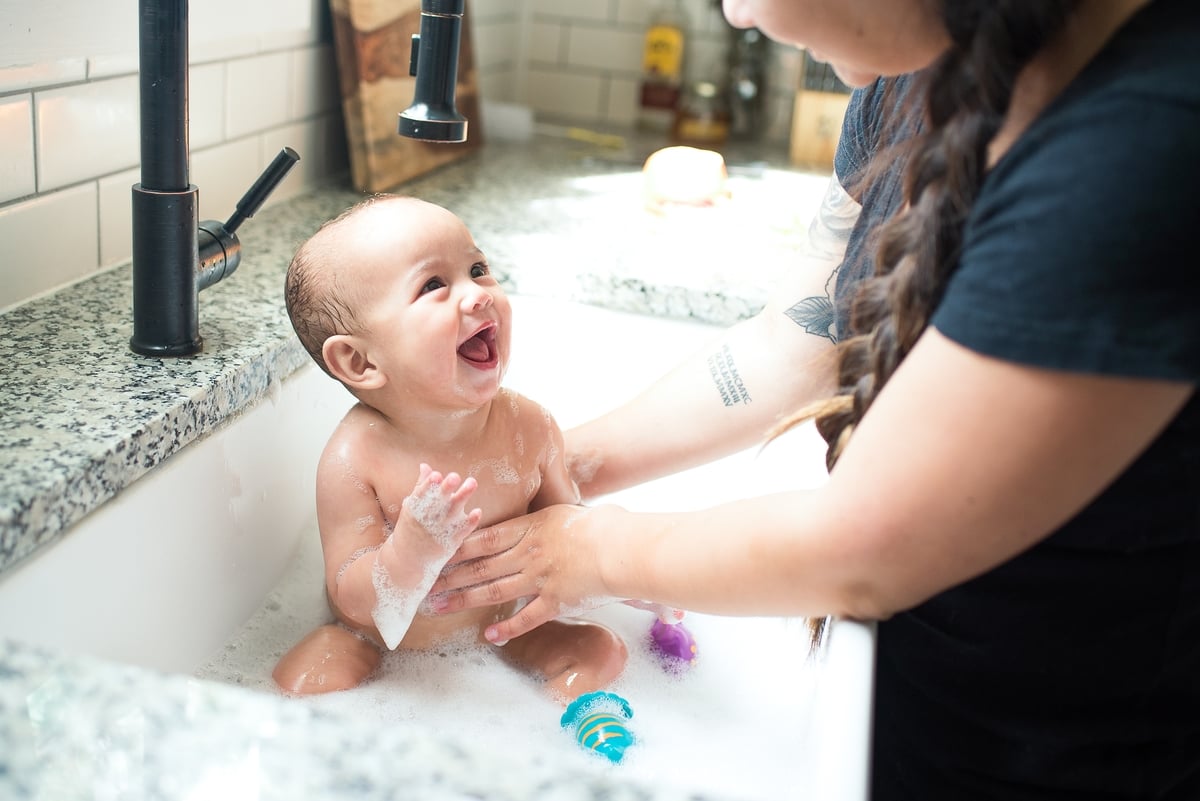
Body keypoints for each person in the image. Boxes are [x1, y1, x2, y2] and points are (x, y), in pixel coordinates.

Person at [432, 1, 1200, 798]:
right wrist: (547, 468)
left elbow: (866, 545)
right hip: (908, 707)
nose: (733, 11)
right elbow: (790, 348)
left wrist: (585, 550)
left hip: (1049, 755)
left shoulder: (1146, 137)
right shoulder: (914, 69)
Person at [271, 195, 632, 703]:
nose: (478, 294)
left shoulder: (530, 426)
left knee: (602, 649)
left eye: (478, 268)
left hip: (502, 622)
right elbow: (350, 597)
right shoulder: (356, 458)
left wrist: (617, 570)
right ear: (358, 360)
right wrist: (406, 553)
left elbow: (567, 528)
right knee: (304, 681)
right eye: (433, 285)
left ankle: (542, 740)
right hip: (375, 636)